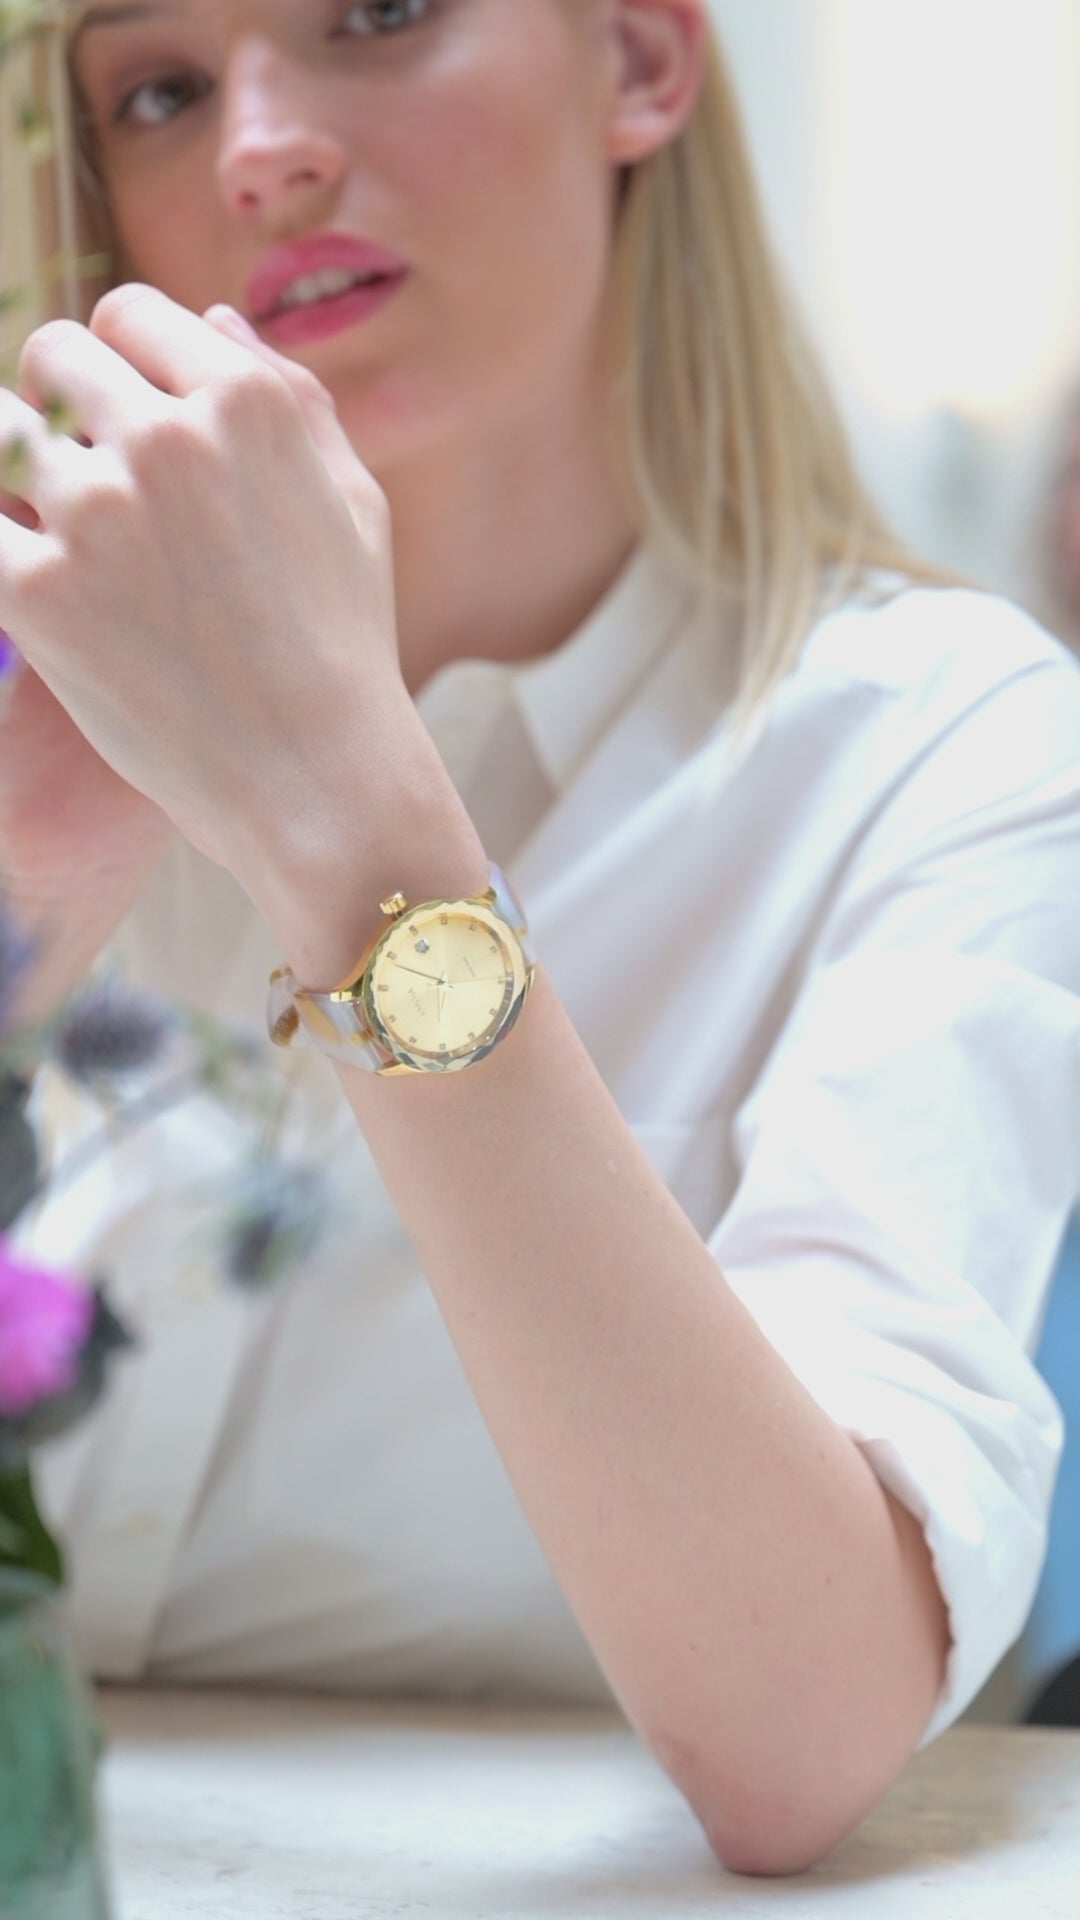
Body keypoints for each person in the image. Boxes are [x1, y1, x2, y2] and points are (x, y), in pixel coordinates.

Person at [0, 0, 1078, 1878]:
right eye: (158, 86)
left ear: (644, 65)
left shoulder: (959, 748)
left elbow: (800, 1733)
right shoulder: (42, 734)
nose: (260, 145)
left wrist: (349, 813)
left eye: (382, 12)